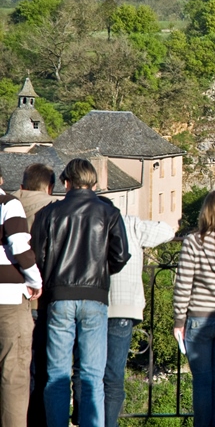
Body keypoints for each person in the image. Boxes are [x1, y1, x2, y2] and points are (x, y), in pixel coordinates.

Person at [32, 158, 130, 427]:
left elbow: (37, 258)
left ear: (66, 183)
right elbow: (121, 255)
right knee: (91, 376)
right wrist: (100, 271)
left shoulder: (48, 214)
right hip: (95, 296)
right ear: (94, 183)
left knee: (57, 374)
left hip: (59, 296)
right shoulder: (109, 213)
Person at [72, 205, 177, 427]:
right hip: (122, 307)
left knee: (85, 372)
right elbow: (168, 231)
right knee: (113, 376)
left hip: (88, 304)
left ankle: (85, 421)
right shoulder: (130, 224)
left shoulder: (85, 224)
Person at [173, 189, 215, 427]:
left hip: (199, 319)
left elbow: (183, 285)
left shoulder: (194, 241)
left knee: (202, 381)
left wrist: (179, 321)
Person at [14, 163, 60, 427]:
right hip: (45, 297)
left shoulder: (11, 203)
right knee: (43, 364)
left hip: (12, 295)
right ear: (50, 186)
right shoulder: (55, 208)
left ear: (22, 185)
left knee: (15, 367)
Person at [0, 165, 42, 427]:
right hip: (7, 299)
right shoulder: (8, 203)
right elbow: (19, 245)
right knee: (13, 376)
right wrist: (34, 280)